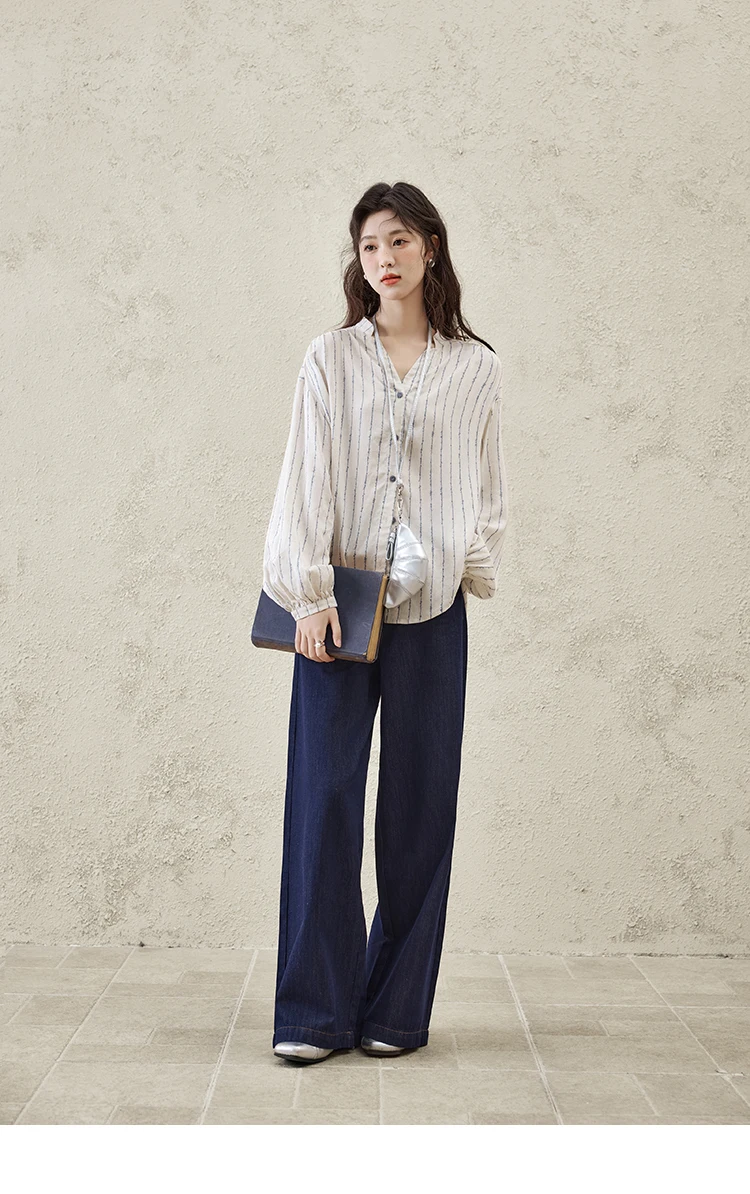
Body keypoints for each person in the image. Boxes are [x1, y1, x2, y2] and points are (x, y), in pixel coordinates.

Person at [261, 181, 509, 1063]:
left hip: (433, 612)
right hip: (339, 608)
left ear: (429, 247)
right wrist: (307, 594)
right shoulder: (329, 359)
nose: (384, 259)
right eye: (370, 245)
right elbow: (305, 476)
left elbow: (486, 486)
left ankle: (395, 1012)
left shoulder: (475, 368)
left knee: (420, 809)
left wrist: (465, 559)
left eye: (399, 241)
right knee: (324, 801)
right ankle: (312, 1014)